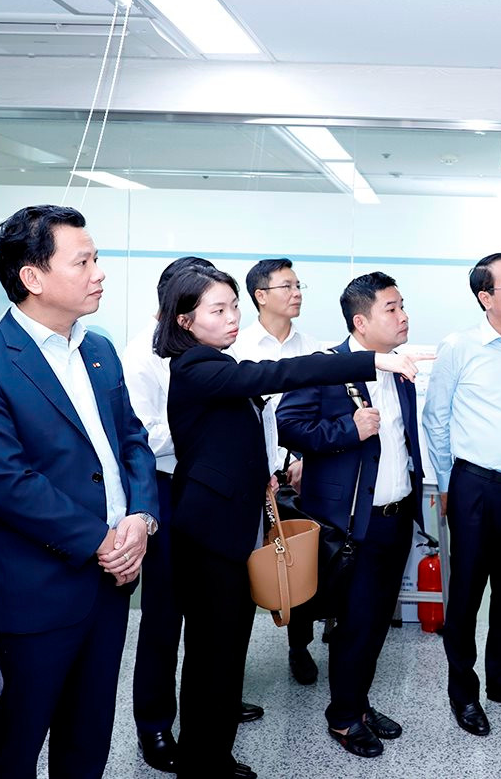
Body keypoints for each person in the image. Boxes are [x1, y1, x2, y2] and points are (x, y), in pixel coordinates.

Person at [157, 264, 426, 779]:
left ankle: (213, 755)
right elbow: (278, 375)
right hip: (209, 534)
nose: (233, 317)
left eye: (234, 306)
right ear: (186, 321)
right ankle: (201, 761)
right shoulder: (195, 366)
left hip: (233, 526)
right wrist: (370, 361)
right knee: (212, 657)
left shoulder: (215, 361)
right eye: (219, 310)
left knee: (226, 653)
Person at [0, 205, 159, 779]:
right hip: (37, 596)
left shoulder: (99, 348)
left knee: (88, 744)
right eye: (82, 261)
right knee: (14, 747)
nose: (98, 273)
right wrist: (101, 540)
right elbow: (7, 481)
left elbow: (132, 440)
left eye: (96, 259)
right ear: (32, 278)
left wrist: (140, 516)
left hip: (111, 587)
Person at [123, 256, 263, 773]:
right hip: (163, 487)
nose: (228, 315)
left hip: (210, 492)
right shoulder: (143, 355)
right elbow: (139, 434)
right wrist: (198, 432)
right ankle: (155, 725)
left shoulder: (217, 346)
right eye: (213, 304)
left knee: (212, 619)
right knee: (165, 614)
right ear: (178, 309)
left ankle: (209, 709)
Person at [277, 272, 424, 759]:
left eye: (403, 306)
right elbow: (290, 427)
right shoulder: (326, 367)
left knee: (378, 620)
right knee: (354, 622)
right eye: (392, 309)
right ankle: (342, 717)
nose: (403, 316)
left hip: (396, 517)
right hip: (350, 525)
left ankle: (357, 703)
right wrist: (348, 427)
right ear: (361, 322)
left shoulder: (399, 369)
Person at [422, 252, 501, 736]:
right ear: (485, 297)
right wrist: (448, 484)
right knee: (467, 595)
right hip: (475, 485)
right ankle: (463, 691)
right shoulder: (460, 346)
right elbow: (436, 419)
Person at [228, 257, 324, 685]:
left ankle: (299, 645)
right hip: (252, 478)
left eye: (298, 284)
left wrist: (307, 459)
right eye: (286, 286)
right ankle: (234, 663)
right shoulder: (238, 350)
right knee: (247, 564)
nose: (297, 292)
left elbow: (323, 416)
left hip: (303, 472)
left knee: (298, 558)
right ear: (260, 296)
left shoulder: (314, 349)